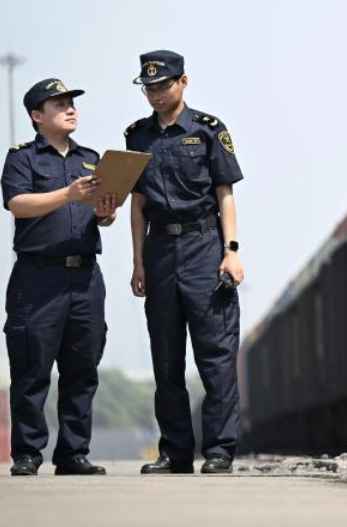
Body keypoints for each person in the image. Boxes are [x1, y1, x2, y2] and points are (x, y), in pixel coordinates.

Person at [125, 50, 245, 475]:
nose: (156, 95)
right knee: (166, 358)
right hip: (159, 252)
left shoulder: (210, 130)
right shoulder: (136, 136)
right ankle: (175, 452)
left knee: (215, 354)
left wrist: (231, 250)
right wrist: (138, 261)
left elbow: (224, 193)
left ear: (184, 82)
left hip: (203, 247)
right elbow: (137, 205)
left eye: (163, 86)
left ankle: (218, 450)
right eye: (149, 88)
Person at [1, 79, 117, 476]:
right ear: (37, 116)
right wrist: (67, 194)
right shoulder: (22, 159)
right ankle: (28, 454)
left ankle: (72, 453)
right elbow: (17, 203)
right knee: (32, 369)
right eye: (59, 104)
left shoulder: (91, 158)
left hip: (85, 277)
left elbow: (103, 217)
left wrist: (105, 211)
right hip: (37, 277)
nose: (70, 109)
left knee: (82, 369)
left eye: (72, 103)